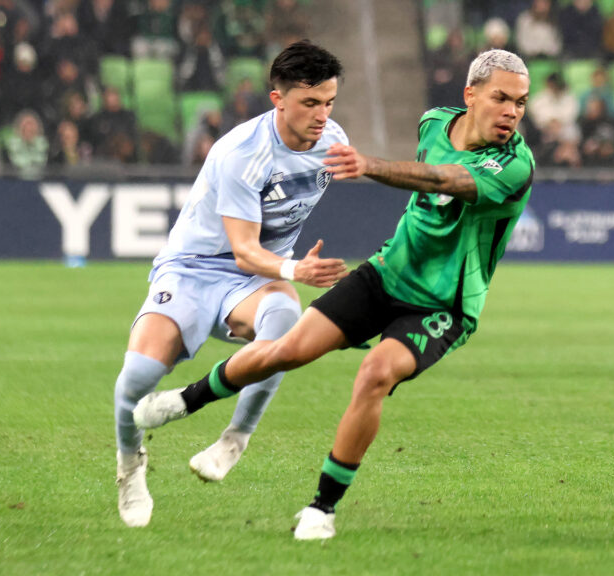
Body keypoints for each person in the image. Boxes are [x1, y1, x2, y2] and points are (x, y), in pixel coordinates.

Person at [132, 49, 535, 541]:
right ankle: (184, 401)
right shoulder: (434, 124)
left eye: (521, 102)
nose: (512, 112)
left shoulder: (514, 165)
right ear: (470, 96)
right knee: (287, 350)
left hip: (443, 305)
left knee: (375, 373)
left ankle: (322, 508)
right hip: (385, 275)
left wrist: (369, 165)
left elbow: (443, 179)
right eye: (501, 98)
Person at [112, 40, 350, 528]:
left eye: (328, 102)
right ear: (276, 98)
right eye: (309, 103)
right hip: (194, 269)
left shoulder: (333, 141)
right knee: (136, 379)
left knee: (286, 328)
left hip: (257, 278)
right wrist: (293, 271)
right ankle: (130, 466)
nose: (322, 114)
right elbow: (243, 249)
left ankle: (233, 440)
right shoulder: (242, 153)